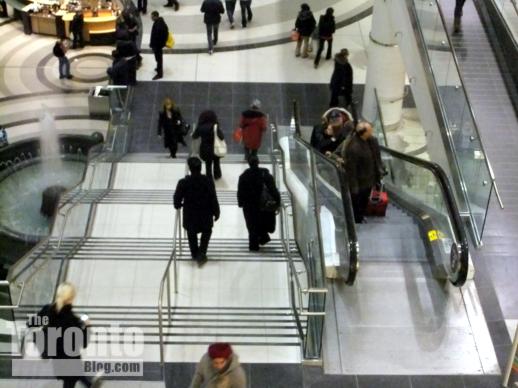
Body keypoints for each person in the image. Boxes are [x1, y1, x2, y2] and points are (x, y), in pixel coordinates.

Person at [27, 282, 102, 388]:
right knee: (74, 376)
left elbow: (30, 323)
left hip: (57, 360)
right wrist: (87, 326)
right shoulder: (72, 320)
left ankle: (89, 383)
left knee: (73, 378)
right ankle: (89, 383)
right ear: (72, 298)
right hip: (71, 360)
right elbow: (84, 343)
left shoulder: (47, 310)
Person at [174, 157, 220, 267]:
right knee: (207, 231)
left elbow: (177, 198)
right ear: (200, 168)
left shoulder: (184, 182)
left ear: (190, 169)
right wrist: (216, 211)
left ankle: (195, 253)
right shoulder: (208, 181)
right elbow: (213, 197)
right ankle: (202, 252)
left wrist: (178, 205)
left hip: (190, 215)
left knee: (191, 233)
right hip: (205, 213)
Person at [342, 121, 383, 223]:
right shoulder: (354, 147)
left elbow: (376, 156)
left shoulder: (371, 141)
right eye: (370, 130)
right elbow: (351, 169)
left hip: (370, 178)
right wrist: (354, 187)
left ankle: (361, 216)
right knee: (358, 201)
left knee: (365, 199)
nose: (372, 132)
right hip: (360, 181)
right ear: (363, 133)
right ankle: (357, 218)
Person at [238, 155, 280, 251]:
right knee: (261, 221)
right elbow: (273, 190)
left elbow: (240, 192)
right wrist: (277, 202)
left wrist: (241, 203)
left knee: (251, 225)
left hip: (249, 205)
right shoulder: (266, 175)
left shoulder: (243, 176)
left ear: (249, 164)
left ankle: (253, 246)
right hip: (263, 204)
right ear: (258, 162)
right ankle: (263, 237)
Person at [192, 110, 224, 180]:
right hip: (215, 148)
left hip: (205, 148)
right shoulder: (215, 126)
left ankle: (209, 178)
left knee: (208, 164)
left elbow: (194, 136)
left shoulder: (200, 127)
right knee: (216, 162)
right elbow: (221, 137)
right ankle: (217, 175)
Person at [150, 11, 169, 80]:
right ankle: (158, 68)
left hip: (157, 46)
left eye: (152, 17)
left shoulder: (159, 25)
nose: (151, 18)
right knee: (158, 58)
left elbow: (158, 37)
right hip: (157, 45)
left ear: (156, 16)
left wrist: (156, 45)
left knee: (159, 59)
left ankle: (160, 74)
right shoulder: (159, 22)